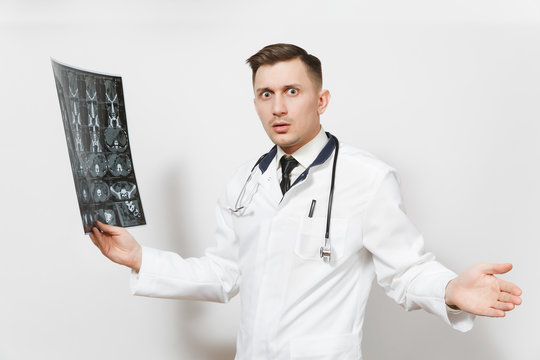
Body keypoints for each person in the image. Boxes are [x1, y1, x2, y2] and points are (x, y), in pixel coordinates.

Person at [89, 43, 522, 360]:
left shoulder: (366, 178)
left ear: (321, 100)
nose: (278, 107)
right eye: (265, 94)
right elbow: (222, 274)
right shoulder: (244, 181)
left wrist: (450, 290)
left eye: (292, 91)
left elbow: (407, 271)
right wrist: (139, 259)